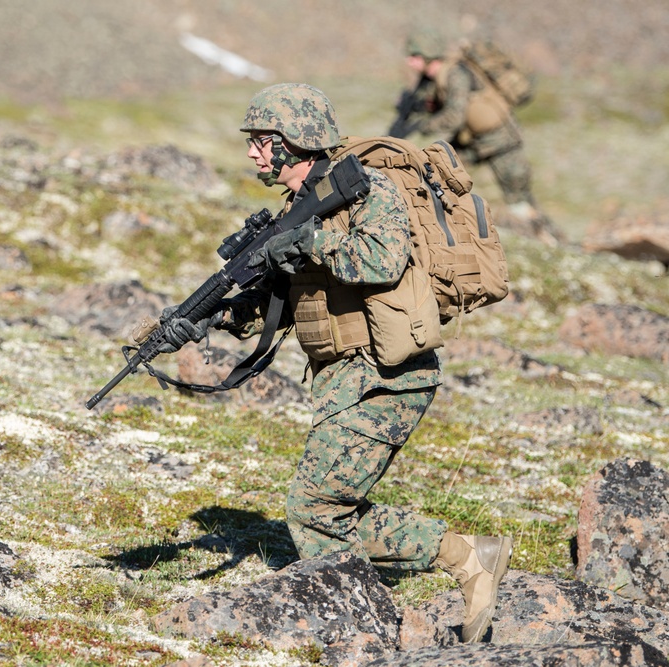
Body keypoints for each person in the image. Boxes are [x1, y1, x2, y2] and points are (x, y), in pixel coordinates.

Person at [158, 83, 512, 643]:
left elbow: (381, 258)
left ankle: (456, 562)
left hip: (388, 374)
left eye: (262, 141)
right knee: (322, 507)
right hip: (345, 376)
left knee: (315, 508)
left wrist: (305, 242)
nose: (252, 152)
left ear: (296, 142)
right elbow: (271, 305)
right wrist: (205, 320)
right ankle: (367, 614)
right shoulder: (298, 208)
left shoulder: (366, 189)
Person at [393, 28, 562, 246]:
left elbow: (454, 117)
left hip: (501, 142)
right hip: (473, 142)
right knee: (438, 176)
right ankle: (437, 231)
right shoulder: (435, 79)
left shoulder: (455, 74)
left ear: (428, 54)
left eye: (414, 56)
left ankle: (554, 242)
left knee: (520, 200)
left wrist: (424, 125)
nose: (410, 62)